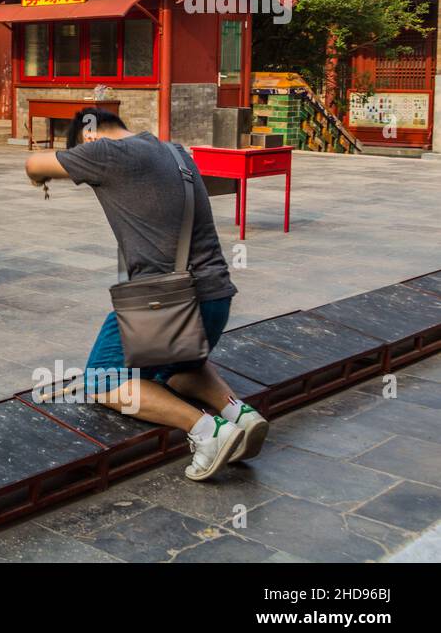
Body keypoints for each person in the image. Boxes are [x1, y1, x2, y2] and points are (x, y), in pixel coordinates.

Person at [24, 109, 268, 482]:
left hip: (162, 304)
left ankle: (208, 432)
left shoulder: (105, 152)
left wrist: (41, 174)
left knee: (100, 381)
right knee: (179, 368)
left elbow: (33, 163)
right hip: (214, 298)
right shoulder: (174, 151)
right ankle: (239, 414)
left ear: (89, 137)